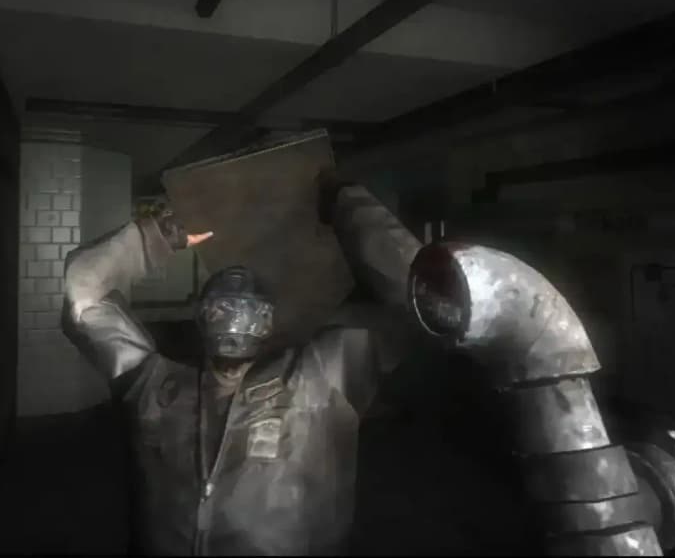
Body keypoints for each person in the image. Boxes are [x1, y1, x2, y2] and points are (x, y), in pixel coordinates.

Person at [61, 171, 419, 555]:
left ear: (268, 321)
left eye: (249, 310)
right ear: (202, 315)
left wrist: (347, 205)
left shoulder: (320, 383)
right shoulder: (154, 389)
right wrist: (155, 236)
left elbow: (420, 299)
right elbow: (83, 296)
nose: (234, 318)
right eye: (222, 308)